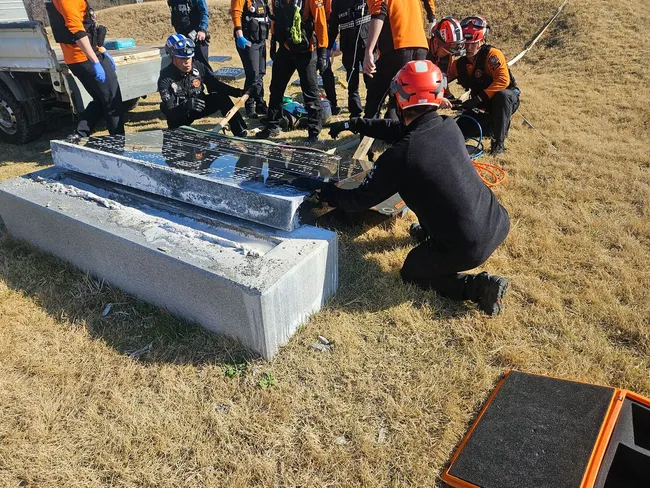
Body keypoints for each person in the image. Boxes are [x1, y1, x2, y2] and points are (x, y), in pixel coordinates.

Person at [295, 60, 511, 315]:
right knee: (436, 192)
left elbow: (357, 200)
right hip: (496, 219)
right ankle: (432, 234)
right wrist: (352, 123)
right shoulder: (448, 126)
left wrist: (322, 189)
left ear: (398, 98)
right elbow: (398, 129)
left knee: (412, 271)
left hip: (469, 246)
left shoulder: (401, 157)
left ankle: (479, 287)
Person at [47, 0, 124, 139]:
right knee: (112, 102)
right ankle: (118, 141)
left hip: (80, 59)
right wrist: (95, 61)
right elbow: (77, 31)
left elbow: (87, 28)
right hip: (85, 58)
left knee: (100, 100)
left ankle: (79, 134)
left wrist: (102, 50)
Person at [257, 0, 329, 143]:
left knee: (310, 91)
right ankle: (273, 125)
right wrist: (273, 41)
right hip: (285, 48)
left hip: (306, 50)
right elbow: (275, 17)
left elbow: (320, 22)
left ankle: (314, 132)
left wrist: (323, 51)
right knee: (276, 88)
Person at [447, 16, 520, 154]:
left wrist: (478, 99)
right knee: (460, 129)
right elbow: (442, 79)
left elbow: (503, 80)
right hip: (481, 105)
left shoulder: (492, 55)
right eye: (466, 43)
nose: (469, 48)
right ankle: (492, 126)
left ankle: (498, 144)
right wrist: (449, 97)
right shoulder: (459, 64)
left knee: (503, 96)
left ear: (481, 41)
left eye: (473, 43)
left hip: (504, 100)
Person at [157, 34, 248, 136]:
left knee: (221, 98)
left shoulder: (198, 66)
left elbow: (215, 85)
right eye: (182, 58)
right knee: (178, 135)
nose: (187, 62)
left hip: (199, 105)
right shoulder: (165, 78)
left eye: (189, 57)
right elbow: (170, 112)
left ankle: (240, 132)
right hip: (180, 115)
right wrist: (185, 106)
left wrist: (238, 92)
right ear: (171, 57)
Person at [362, 0, 436, 119]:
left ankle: (371, 127)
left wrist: (369, 51)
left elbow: (379, 12)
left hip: (398, 45)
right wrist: (432, 17)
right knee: (411, 101)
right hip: (420, 44)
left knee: (377, 98)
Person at [327, 0, 371, 117]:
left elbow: (379, 15)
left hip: (367, 43)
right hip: (348, 45)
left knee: (370, 78)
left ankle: (372, 112)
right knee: (352, 81)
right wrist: (328, 47)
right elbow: (333, 25)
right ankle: (355, 112)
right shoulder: (337, 2)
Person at [230, 0, 271, 118]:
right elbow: (236, 13)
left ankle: (260, 102)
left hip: (260, 39)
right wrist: (239, 35)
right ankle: (249, 105)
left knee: (260, 73)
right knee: (252, 73)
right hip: (247, 40)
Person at [167, 0, 213, 71]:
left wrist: (202, 30)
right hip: (182, 38)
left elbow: (204, 12)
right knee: (185, 66)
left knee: (203, 66)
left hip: (197, 36)